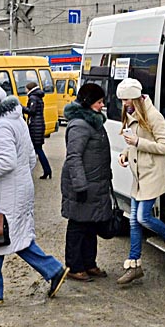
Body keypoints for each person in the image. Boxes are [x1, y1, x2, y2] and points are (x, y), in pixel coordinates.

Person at [0, 83, 68, 303]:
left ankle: (50, 270)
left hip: (7, 192)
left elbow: (6, 161)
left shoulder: (1, 126)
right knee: (2, 237)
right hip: (20, 187)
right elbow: (31, 157)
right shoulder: (16, 120)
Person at [115, 77, 165, 285]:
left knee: (143, 217)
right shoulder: (131, 114)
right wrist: (126, 153)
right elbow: (133, 143)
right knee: (133, 220)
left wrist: (138, 142)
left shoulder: (155, 116)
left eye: (126, 100)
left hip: (152, 175)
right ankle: (134, 265)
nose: (123, 104)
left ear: (135, 98)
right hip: (139, 176)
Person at [60, 83, 112, 282]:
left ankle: (89, 263)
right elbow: (73, 157)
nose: (102, 105)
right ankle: (74, 265)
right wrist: (80, 186)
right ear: (88, 102)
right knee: (78, 225)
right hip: (82, 184)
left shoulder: (94, 122)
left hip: (95, 183)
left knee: (91, 224)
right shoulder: (80, 125)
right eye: (99, 102)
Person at [22, 81, 52, 179]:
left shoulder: (33, 98)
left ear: (29, 89)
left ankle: (47, 170)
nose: (25, 90)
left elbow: (32, 111)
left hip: (35, 126)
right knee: (38, 149)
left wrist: (21, 107)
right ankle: (47, 170)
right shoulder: (38, 97)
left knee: (37, 149)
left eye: (26, 88)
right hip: (39, 125)